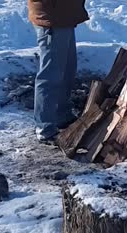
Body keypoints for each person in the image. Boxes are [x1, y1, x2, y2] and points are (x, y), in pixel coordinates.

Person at [27, 0, 89, 141]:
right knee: (51, 74)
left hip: (62, 16)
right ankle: (44, 126)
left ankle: (61, 114)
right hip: (52, 18)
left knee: (67, 69)